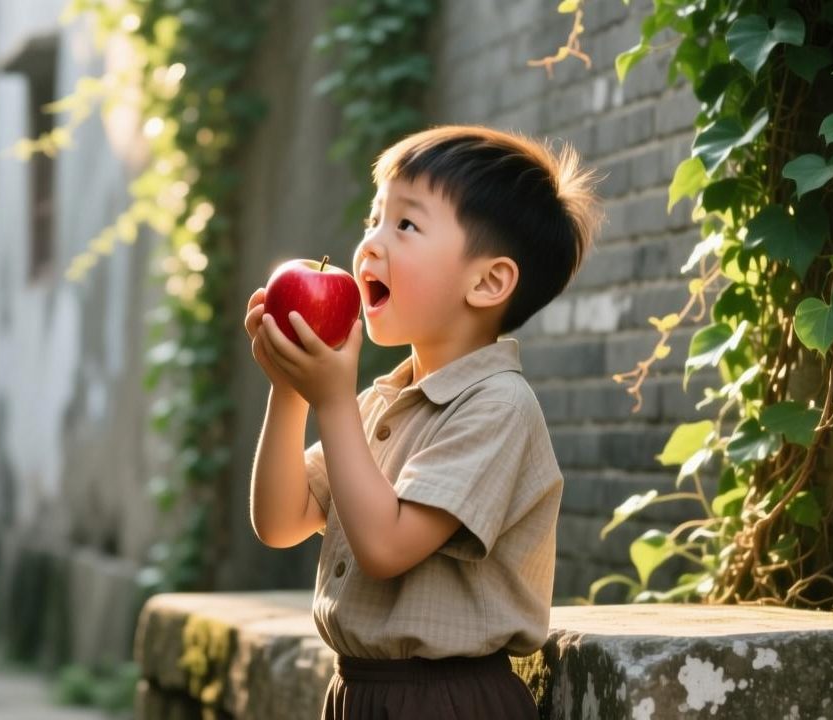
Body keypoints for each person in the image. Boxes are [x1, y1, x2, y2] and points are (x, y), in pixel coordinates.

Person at [243, 125, 601, 719]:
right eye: (374, 218)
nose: (370, 244)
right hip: (358, 692)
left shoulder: (497, 408)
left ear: (487, 282)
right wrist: (289, 391)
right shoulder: (378, 404)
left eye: (405, 224)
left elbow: (386, 547)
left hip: (447, 700)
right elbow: (280, 522)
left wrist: (331, 402)